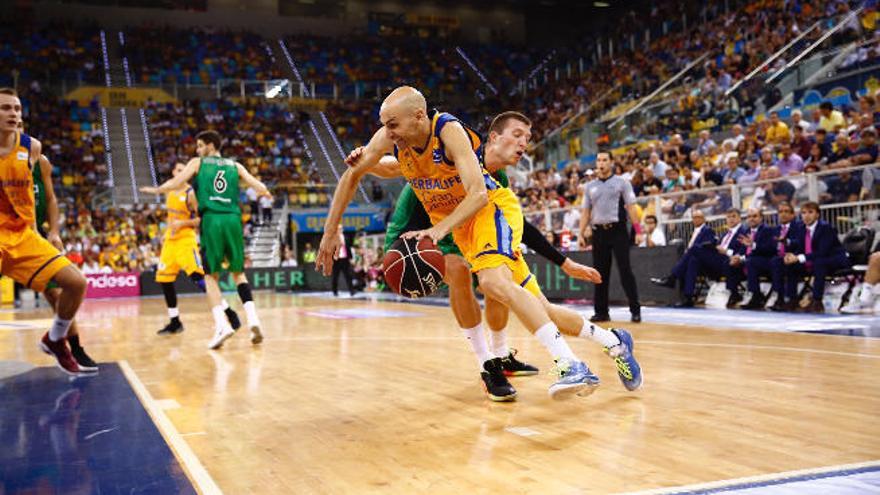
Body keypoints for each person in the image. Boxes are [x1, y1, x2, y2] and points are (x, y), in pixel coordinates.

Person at [320, 88, 641, 400]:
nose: (387, 132)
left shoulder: (448, 130)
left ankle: (570, 365)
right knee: (542, 310)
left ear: (418, 116)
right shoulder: (392, 140)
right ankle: (615, 342)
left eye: (393, 124)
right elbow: (356, 174)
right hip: (463, 229)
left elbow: (478, 195)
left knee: (491, 282)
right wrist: (330, 230)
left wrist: (436, 231)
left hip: (489, 211)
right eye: (384, 125)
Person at [142, 130, 271, 348]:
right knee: (238, 273)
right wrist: (263, 194)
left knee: (210, 276)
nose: (198, 150)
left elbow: (177, 182)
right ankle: (254, 320)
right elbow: (260, 187)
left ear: (211, 145)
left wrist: (156, 189)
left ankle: (222, 325)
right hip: (233, 219)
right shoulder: (235, 166)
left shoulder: (198, 163)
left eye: (201, 145)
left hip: (212, 219)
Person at [0, 87, 87, 375]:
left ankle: (56, 338)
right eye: (6, 109)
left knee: (75, 283)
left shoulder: (32, 148)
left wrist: (49, 231)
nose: (13, 114)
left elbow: (43, 198)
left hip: (24, 234)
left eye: (17, 109)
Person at [20, 121, 97, 371]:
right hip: (8, 235)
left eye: (22, 123)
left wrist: (53, 231)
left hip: (36, 235)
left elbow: (51, 199)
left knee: (61, 290)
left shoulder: (40, 161)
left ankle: (72, 347)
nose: (19, 128)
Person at [152, 162, 240, 336]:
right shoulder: (169, 191)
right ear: (173, 171)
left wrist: (183, 223)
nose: (179, 173)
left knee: (199, 279)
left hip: (186, 240)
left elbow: (202, 219)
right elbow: (171, 217)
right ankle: (175, 321)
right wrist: (167, 231)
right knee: (164, 280)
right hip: (170, 241)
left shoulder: (191, 194)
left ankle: (229, 312)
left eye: (183, 171)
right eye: (177, 170)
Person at [578, 151, 642, 323]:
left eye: (605, 160)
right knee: (599, 274)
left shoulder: (622, 183)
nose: (601, 163)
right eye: (599, 160)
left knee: (625, 271)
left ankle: (635, 310)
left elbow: (631, 207)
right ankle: (601, 312)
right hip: (598, 232)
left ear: (611, 162)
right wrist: (581, 233)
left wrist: (638, 231)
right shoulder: (590, 187)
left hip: (618, 230)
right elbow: (585, 212)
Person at [779, 201, 851, 313]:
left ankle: (817, 301)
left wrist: (799, 257)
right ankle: (792, 299)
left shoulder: (826, 228)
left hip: (834, 259)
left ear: (817, 214)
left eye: (810, 212)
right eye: (803, 213)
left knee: (819, 262)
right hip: (814, 259)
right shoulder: (801, 228)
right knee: (791, 265)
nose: (806, 216)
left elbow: (822, 252)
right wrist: (792, 256)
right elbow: (800, 247)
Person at [738, 208, 780, 310]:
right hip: (750, 261)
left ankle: (755, 295)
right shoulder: (745, 231)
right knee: (729, 263)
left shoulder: (768, 230)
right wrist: (738, 257)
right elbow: (743, 250)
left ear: (761, 218)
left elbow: (771, 249)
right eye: (749, 216)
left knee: (751, 262)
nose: (751, 219)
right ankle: (733, 294)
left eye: (755, 216)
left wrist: (754, 245)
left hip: (767, 261)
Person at [767, 202, 806, 312]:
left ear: (793, 214)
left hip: (794, 257)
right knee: (771, 261)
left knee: (783, 263)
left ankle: (788, 298)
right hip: (777, 259)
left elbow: (799, 243)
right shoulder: (775, 229)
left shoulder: (799, 227)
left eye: (786, 211)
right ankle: (777, 297)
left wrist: (787, 242)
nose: (783, 214)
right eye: (780, 212)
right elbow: (770, 247)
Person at [331, 224, 355, 297]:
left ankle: (352, 291)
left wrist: (350, 258)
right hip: (336, 260)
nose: (339, 230)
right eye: (338, 229)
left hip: (345, 259)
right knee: (335, 276)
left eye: (341, 228)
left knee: (348, 275)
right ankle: (335, 291)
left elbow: (349, 248)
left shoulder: (346, 237)